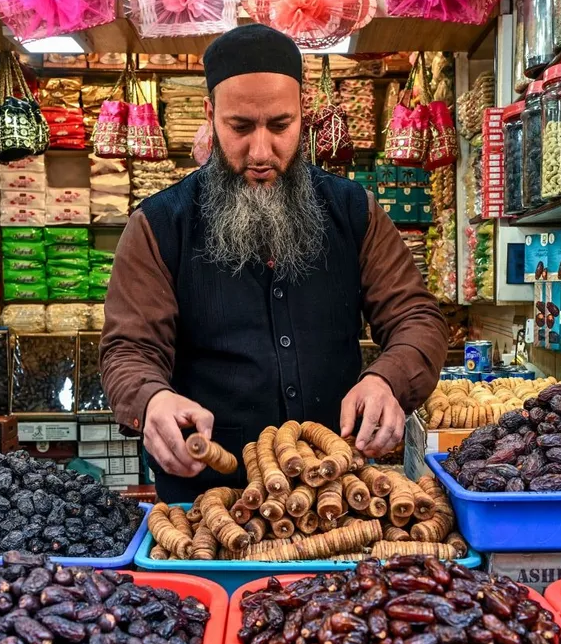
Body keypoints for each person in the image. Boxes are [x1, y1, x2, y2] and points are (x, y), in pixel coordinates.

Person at [100, 25, 448, 502]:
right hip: (208, 504)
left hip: (335, 497)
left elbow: (416, 317)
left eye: (280, 126)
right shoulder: (159, 226)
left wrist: (387, 378)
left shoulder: (354, 211)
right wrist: (151, 397)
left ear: (302, 114)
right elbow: (128, 348)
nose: (261, 153)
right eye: (240, 127)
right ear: (211, 115)